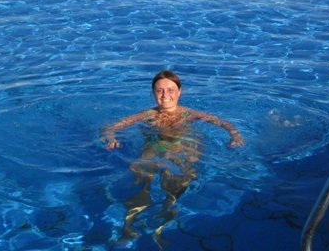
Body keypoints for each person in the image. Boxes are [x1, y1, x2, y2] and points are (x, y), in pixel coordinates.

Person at [102, 70, 244, 244]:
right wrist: (111, 137)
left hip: (181, 146)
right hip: (154, 145)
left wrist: (235, 135)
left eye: (170, 90)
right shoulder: (147, 115)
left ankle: (163, 222)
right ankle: (129, 224)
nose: (165, 95)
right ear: (153, 93)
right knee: (141, 174)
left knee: (175, 181)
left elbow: (224, 123)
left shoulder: (190, 114)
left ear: (179, 91)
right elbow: (110, 127)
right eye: (159, 90)